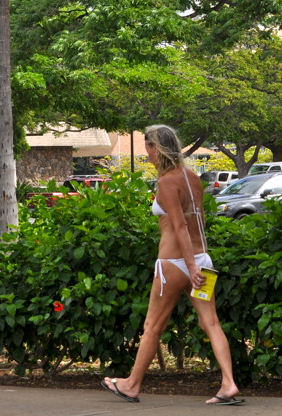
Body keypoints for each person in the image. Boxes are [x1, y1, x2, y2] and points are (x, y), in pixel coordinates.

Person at [100, 124, 241, 406]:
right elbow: (196, 221)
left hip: (176, 264)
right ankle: (229, 384)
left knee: (153, 325)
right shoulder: (193, 177)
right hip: (203, 260)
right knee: (211, 322)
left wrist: (189, 266)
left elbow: (178, 225)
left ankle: (131, 385)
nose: (147, 152)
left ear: (157, 148)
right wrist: (198, 265)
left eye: (148, 146)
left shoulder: (166, 182)